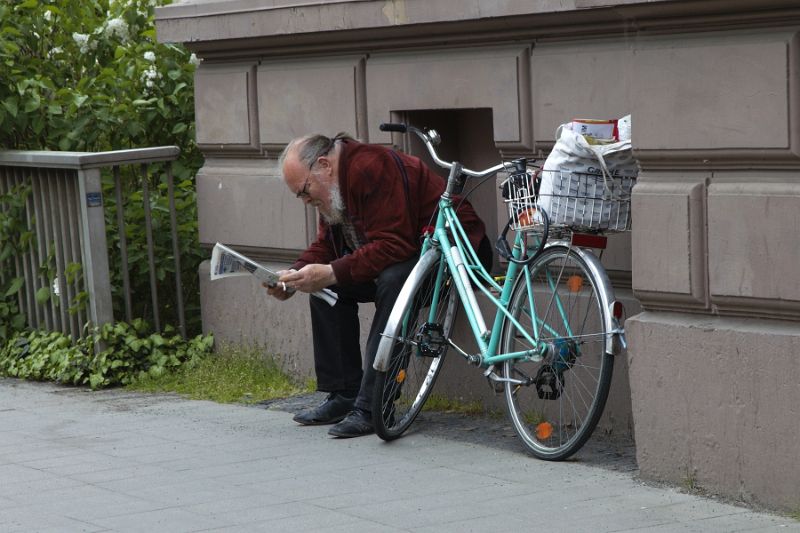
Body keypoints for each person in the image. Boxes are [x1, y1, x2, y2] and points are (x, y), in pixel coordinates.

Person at [266, 132, 492, 438]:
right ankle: (344, 393)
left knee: (392, 280)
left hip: (456, 254)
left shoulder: (371, 167)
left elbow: (394, 246)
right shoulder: (333, 188)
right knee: (321, 286)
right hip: (406, 253)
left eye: (304, 191)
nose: (306, 201)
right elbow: (327, 247)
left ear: (324, 165)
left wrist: (331, 272)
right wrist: (294, 275)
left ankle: (374, 406)